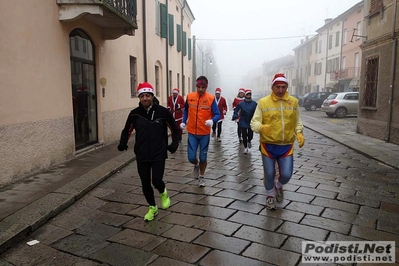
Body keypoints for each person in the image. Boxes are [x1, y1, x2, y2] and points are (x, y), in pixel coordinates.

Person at [117, 82, 180, 221]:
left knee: (156, 180)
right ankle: (153, 207)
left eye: (147, 95)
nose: (145, 98)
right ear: (139, 98)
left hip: (159, 153)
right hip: (142, 154)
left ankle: (163, 192)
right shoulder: (134, 114)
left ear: (152, 96)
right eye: (142, 96)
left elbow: (175, 130)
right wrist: (123, 143)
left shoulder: (163, 112)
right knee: (145, 184)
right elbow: (127, 130)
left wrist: (174, 144)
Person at [250, 73, 305, 210]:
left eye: (283, 87)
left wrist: (299, 132)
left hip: (286, 145)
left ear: (287, 87)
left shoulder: (294, 102)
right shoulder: (263, 102)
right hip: (268, 145)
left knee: (286, 174)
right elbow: (254, 122)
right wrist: (261, 127)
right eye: (278, 87)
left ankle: (279, 185)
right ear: (272, 86)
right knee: (269, 173)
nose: (280, 90)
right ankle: (270, 196)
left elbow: (297, 121)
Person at [180, 76, 221, 187]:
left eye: (203, 87)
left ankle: (201, 177)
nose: (200, 89)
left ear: (206, 87)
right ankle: (196, 164)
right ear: (196, 86)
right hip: (192, 133)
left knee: (203, 157)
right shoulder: (189, 97)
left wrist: (212, 121)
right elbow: (186, 110)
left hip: (204, 134)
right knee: (191, 158)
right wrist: (184, 121)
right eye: (198, 87)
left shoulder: (211, 99)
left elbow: (218, 114)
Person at [233, 89, 257, 154]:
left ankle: (249, 140)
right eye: (247, 94)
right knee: (244, 134)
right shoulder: (241, 104)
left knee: (250, 134)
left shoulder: (254, 103)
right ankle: (245, 147)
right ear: (245, 95)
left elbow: (258, 112)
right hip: (243, 120)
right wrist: (235, 116)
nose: (249, 95)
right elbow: (236, 110)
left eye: (250, 94)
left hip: (251, 120)